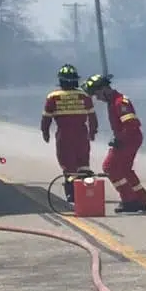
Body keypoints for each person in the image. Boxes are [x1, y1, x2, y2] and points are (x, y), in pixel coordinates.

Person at [83, 74, 146, 214]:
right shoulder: (113, 101)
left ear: (104, 89)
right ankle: (141, 200)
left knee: (109, 167)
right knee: (125, 170)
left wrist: (119, 139)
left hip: (129, 139)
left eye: (97, 94)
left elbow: (132, 124)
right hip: (129, 138)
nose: (97, 98)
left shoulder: (120, 102)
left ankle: (129, 200)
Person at [40, 64, 97, 203]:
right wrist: (92, 132)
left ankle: (72, 193)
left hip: (64, 135)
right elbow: (92, 117)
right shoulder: (84, 95)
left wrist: (45, 133)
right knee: (83, 163)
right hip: (82, 134)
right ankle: (86, 192)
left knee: (68, 165)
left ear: (61, 80)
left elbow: (46, 118)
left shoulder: (53, 97)